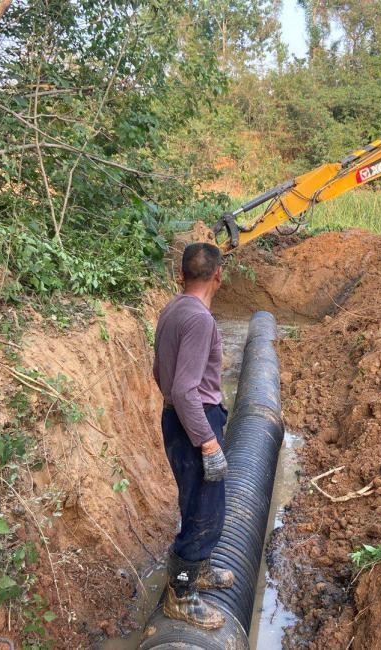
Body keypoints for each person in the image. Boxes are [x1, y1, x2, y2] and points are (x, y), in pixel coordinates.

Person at [152, 242, 234, 630]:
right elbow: (186, 389)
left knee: (197, 503)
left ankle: (196, 569)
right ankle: (181, 596)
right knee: (206, 514)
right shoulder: (200, 320)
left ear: (181, 275)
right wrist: (208, 441)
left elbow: (161, 374)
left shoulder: (173, 309)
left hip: (179, 419)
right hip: (194, 423)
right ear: (217, 275)